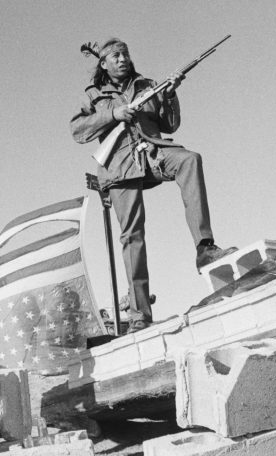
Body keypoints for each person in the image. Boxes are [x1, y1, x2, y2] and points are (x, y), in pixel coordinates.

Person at [70, 38, 235, 332]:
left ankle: (205, 247)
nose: (122, 59)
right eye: (115, 56)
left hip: (153, 152)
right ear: (104, 64)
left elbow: (169, 125)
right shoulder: (94, 94)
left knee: (189, 160)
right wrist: (113, 114)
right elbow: (77, 130)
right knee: (132, 237)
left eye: (125, 54)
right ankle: (139, 316)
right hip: (120, 165)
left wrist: (170, 95)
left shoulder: (147, 85)